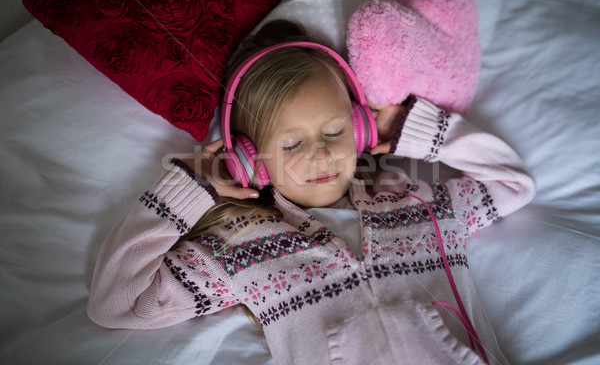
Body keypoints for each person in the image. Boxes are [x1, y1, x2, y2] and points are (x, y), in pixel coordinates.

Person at [88, 20, 535, 365]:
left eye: (336, 130)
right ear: (251, 161)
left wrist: (411, 129)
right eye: (292, 143)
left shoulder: (417, 204)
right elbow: (117, 305)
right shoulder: (239, 249)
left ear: (360, 129)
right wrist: (190, 188)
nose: (321, 154)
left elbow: (512, 184)